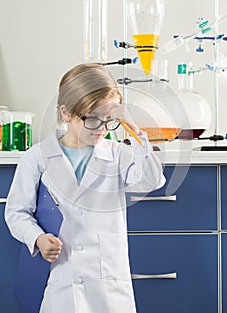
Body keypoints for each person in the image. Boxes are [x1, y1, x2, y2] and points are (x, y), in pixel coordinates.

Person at [5, 63, 165, 313]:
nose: (102, 128)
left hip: (109, 285)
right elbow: (16, 212)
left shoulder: (117, 154)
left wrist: (136, 132)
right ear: (67, 113)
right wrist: (36, 238)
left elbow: (150, 181)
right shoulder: (38, 156)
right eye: (92, 119)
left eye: (109, 120)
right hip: (62, 279)